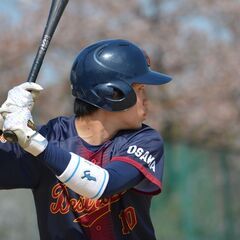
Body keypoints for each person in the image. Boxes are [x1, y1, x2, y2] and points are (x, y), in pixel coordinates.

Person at [0, 39, 172, 240]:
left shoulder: (144, 140)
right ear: (114, 94)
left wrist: (34, 143)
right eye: (140, 89)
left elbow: (104, 184)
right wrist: (3, 118)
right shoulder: (53, 136)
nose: (146, 100)